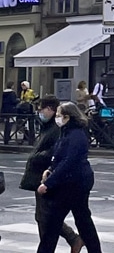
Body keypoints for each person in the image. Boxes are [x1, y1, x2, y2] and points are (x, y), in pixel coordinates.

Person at [35, 101, 103, 253]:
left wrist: (49, 183)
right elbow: (58, 156)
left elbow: (69, 162)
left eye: (59, 115)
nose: (57, 118)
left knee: (56, 222)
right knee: (80, 221)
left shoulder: (77, 135)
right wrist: (49, 169)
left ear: (67, 117)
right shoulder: (66, 132)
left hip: (74, 184)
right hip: (69, 184)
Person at [19, 95, 83, 253]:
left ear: (50, 109)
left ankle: (72, 239)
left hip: (47, 177)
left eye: (41, 109)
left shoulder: (56, 128)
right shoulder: (48, 126)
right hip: (41, 176)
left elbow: (57, 152)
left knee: (46, 217)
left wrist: (37, 158)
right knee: (43, 216)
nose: (39, 112)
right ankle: (72, 239)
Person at [2, 80, 18, 144]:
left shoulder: (3, 92)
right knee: (10, 124)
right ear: (12, 86)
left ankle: (5, 137)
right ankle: (8, 137)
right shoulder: (12, 93)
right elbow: (13, 101)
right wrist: (18, 101)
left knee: (6, 124)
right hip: (11, 110)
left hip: (5, 110)